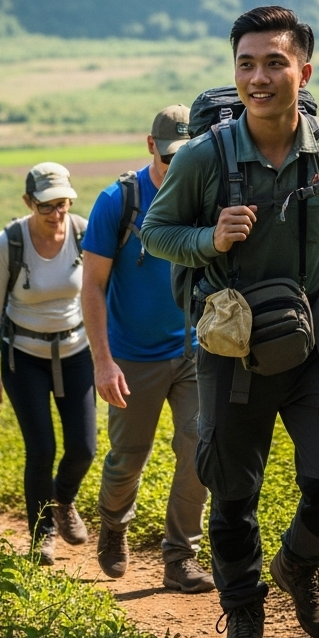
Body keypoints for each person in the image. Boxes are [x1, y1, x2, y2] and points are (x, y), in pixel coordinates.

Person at [141, 6, 319, 638]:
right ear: (236, 71)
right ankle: (242, 616)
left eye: (275, 62)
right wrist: (210, 237)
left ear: (303, 70)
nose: (260, 77)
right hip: (230, 346)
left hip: (311, 341)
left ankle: (299, 566)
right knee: (233, 489)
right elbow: (155, 233)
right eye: (247, 64)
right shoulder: (204, 157)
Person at [81, 107, 214, 594]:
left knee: (199, 448)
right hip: (133, 356)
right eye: (168, 155)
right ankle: (114, 523)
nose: (175, 166)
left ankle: (180, 557)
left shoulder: (203, 194)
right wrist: (103, 361)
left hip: (195, 349)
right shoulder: (119, 200)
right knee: (128, 456)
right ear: (150, 145)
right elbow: (92, 287)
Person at [0, 163, 96, 567]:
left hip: (75, 350)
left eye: (62, 203)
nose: (56, 213)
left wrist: (108, 353)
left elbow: (100, 292)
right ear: (29, 202)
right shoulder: (9, 242)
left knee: (84, 447)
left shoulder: (83, 231)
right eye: (47, 205)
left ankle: (63, 500)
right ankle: (41, 534)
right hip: (23, 356)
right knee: (41, 448)